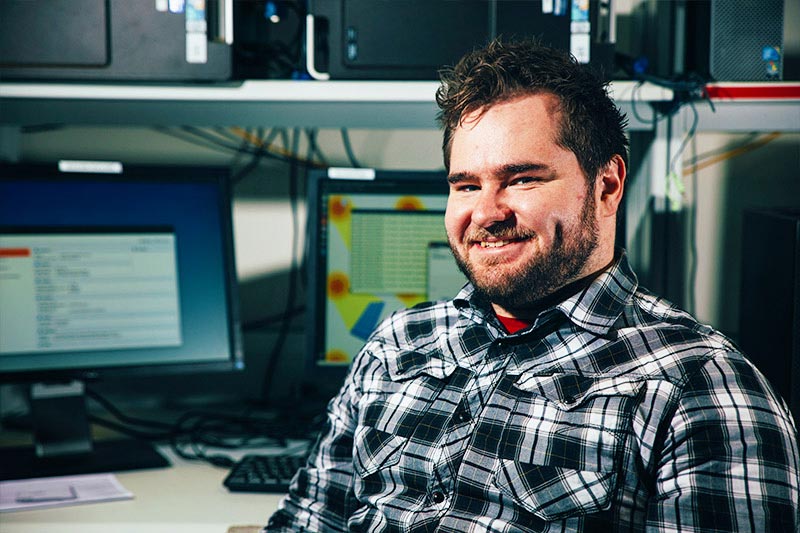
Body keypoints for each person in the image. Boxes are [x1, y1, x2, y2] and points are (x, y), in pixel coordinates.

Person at [266, 39, 800, 532]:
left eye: (522, 179)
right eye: (466, 185)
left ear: (607, 185)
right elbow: (310, 520)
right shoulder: (399, 344)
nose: (486, 212)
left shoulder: (700, 387)